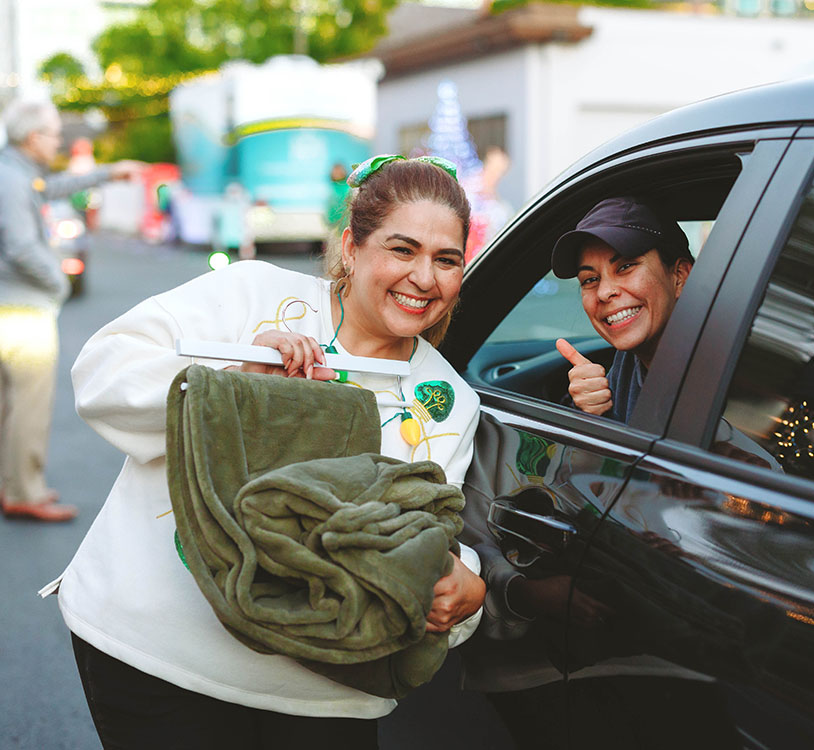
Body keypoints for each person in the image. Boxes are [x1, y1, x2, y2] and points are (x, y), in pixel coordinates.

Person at [44, 155, 486, 748]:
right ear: (352, 247)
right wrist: (234, 380)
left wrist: (469, 589)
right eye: (402, 250)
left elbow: (420, 533)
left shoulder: (449, 400)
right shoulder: (251, 292)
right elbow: (100, 377)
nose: (425, 278)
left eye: (447, 259)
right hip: (157, 655)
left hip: (327, 691)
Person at [551, 196, 780, 468]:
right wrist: (588, 412)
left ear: (680, 276)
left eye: (625, 267)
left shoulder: (725, 374)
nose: (604, 292)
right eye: (590, 279)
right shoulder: (627, 366)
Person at [0, 98, 143, 522]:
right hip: (21, 309)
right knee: (27, 402)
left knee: (10, 404)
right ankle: (24, 490)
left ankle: (14, 485)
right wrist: (59, 281)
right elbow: (22, 246)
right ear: (32, 138)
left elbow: (52, 188)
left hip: (12, 305)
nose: (59, 142)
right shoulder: (13, 178)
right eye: (54, 135)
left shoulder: (19, 173)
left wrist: (108, 173)